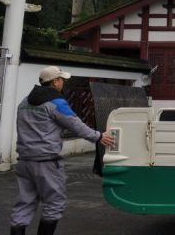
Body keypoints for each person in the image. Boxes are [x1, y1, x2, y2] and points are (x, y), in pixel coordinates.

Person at [10, 66, 115, 235]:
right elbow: (75, 124)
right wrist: (98, 136)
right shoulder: (57, 103)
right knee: (54, 204)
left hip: (24, 161)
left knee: (24, 203)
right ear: (55, 81)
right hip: (47, 162)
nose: (63, 83)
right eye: (62, 80)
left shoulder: (24, 102)